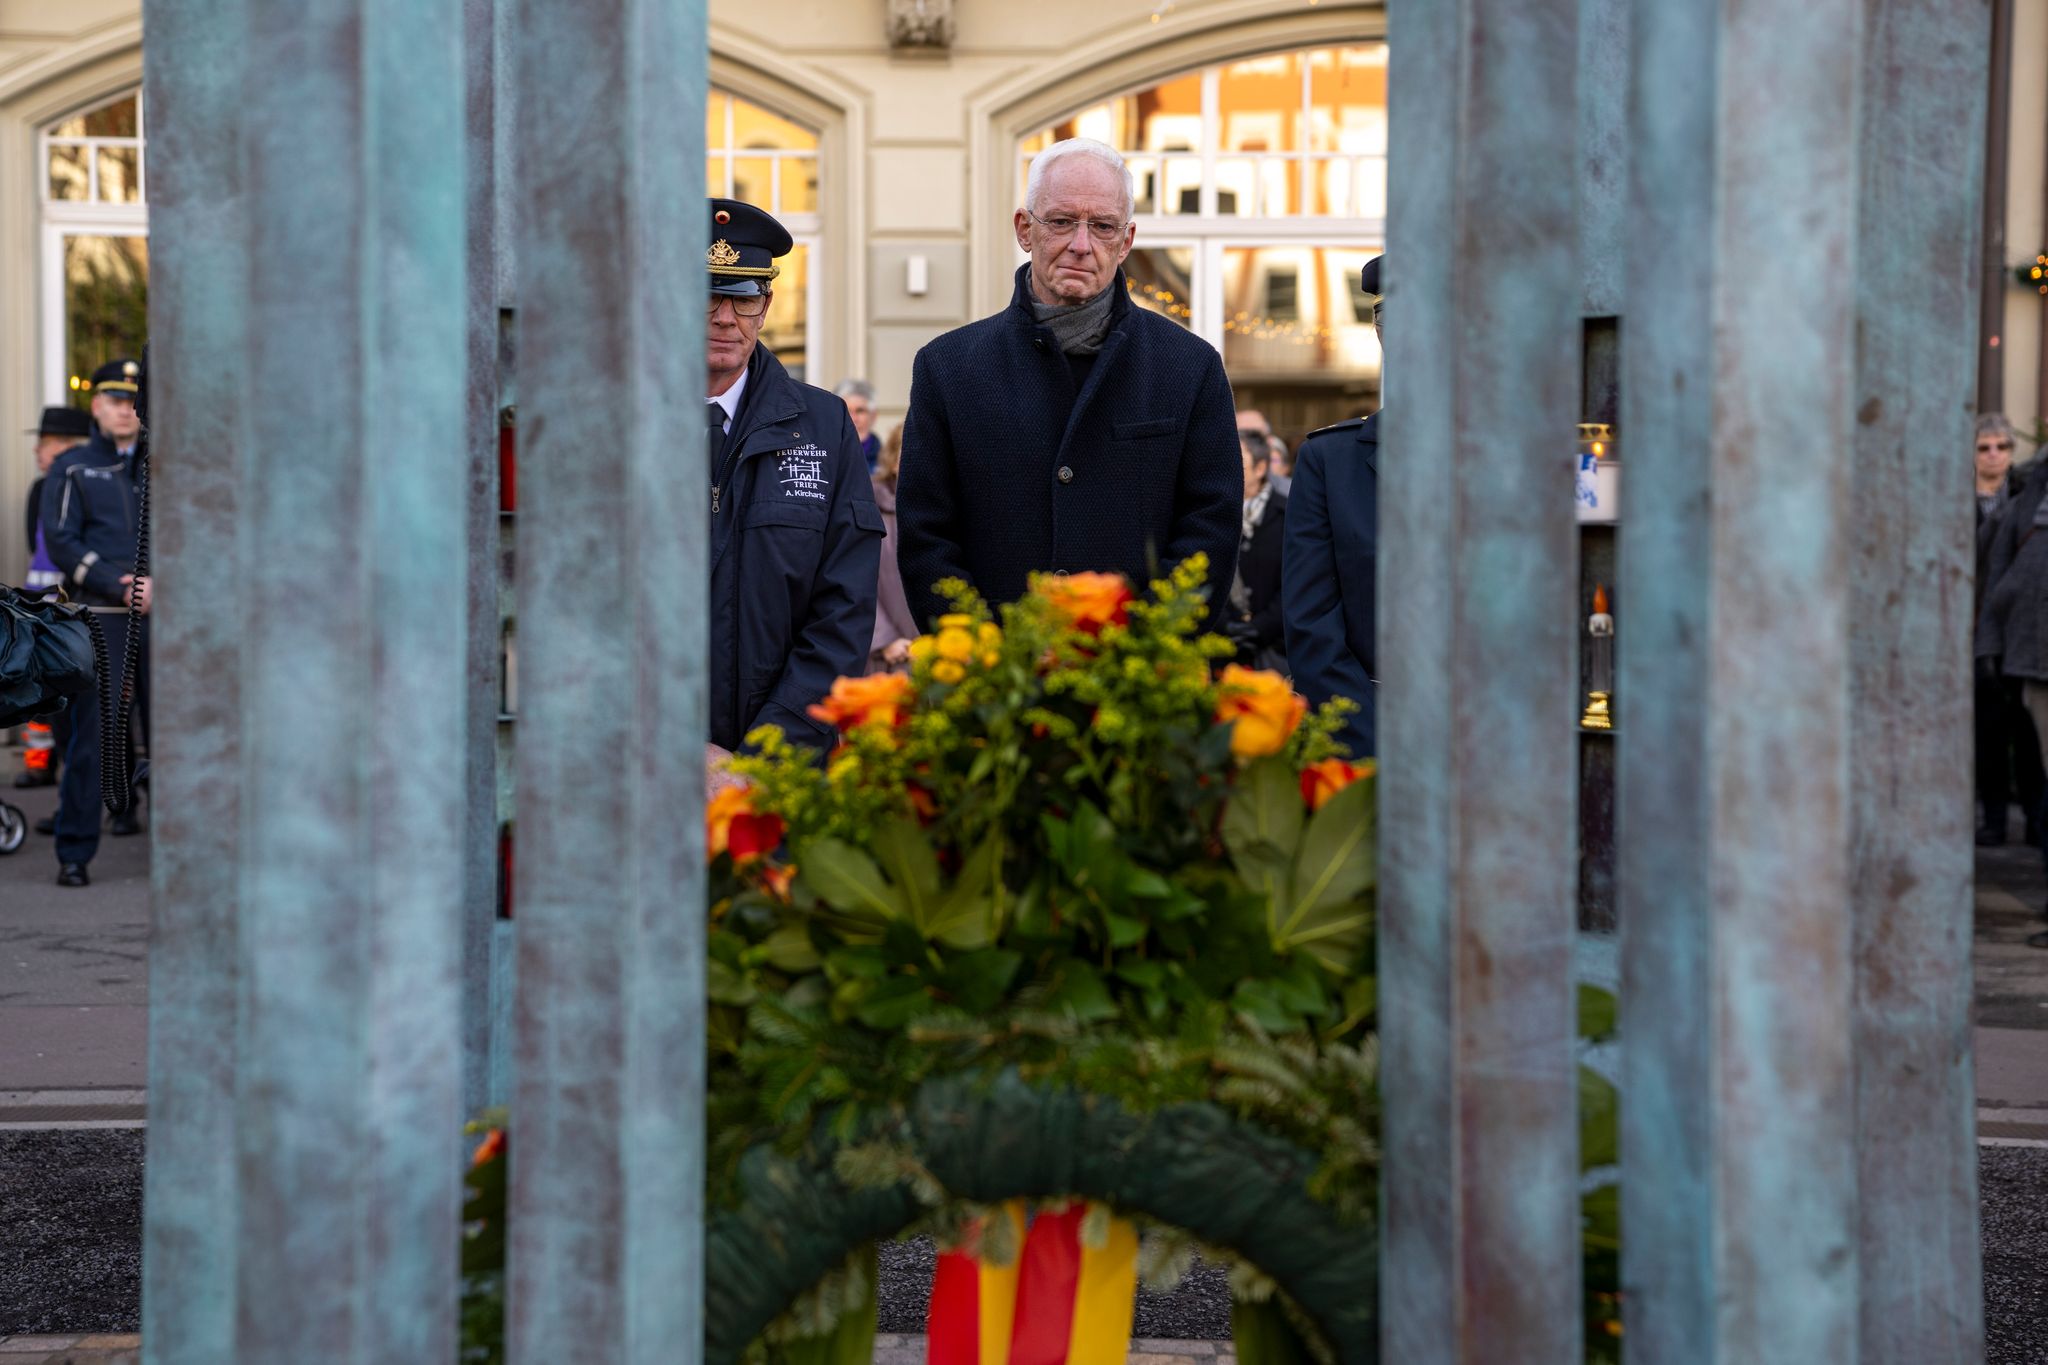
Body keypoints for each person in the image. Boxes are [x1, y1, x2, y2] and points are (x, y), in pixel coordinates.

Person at [896, 136, 1239, 629]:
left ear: (1126, 241)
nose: (1081, 244)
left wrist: (1137, 650)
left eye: (1102, 226)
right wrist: (991, 656)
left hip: (1144, 668)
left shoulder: (1189, 367)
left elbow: (1210, 531)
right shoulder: (949, 368)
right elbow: (926, 536)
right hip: (992, 671)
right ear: (1024, 229)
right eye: (1061, 221)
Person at [705, 198, 883, 771]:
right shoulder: (619, 424)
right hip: (644, 773)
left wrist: (764, 760)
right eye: (707, 294)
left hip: (786, 776)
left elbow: (844, 610)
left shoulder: (825, 426)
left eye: (744, 297)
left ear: (766, 305)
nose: (725, 317)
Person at [39, 359, 152, 886]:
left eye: (133, 400)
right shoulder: (73, 466)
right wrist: (118, 584)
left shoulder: (165, 465)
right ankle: (75, 852)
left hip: (166, 618)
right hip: (104, 619)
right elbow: (62, 540)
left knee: (179, 737)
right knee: (94, 740)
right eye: (115, 400)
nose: (125, 409)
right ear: (98, 406)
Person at [1282, 255, 1383, 758]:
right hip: (1367, 742)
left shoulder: (1512, 459)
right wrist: (1376, 748)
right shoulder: (1331, 461)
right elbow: (1312, 628)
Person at [13, 406, 92, 793]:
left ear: (64, 447)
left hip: (79, 609)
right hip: (43, 611)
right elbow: (35, 542)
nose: (37, 453)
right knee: (42, 693)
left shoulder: (86, 487)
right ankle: (41, 765)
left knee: (84, 704)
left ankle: (98, 790)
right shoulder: (40, 490)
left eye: (42, 445)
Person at [1974, 413, 2042, 846]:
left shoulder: (2026, 496)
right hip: (1975, 618)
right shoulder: (1957, 499)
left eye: (2002, 446)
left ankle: (2034, 820)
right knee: (1988, 729)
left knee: (2027, 729)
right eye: (1984, 447)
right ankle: (1994, 818)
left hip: (2018, 624)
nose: (1994, 455)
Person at [1224, 428, 1288, 672]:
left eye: (1237, 462)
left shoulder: (1288, 514)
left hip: (1275, 651)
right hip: (1223, 650)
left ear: (1260, 468)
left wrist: (1260, 628)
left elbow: (1296, 582)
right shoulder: (1214, 514)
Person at [869, 425, 917, 674]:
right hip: (888, 659)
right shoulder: (870, 506)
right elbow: (854, 579)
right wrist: (884, 639)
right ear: (894, 461)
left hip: (943, 659)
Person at [836, 379, 881, 472]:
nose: (853, 419)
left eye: (860, 411)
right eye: (846, 411)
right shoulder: (825, 458)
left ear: (873, 416)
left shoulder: (887, 461)